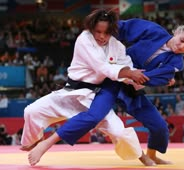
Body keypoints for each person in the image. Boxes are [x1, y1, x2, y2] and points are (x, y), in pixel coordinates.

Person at [28, 8, 184, 166]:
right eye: (182, 40)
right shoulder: (154, 31)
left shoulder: (176, 62)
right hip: (112, 80)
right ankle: (46, 143)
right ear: (176, 32)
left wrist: (143, 78)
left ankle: (152, 155)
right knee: (94, 116)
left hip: (132, 87)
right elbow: (124, 28)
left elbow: (160, 78)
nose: (181, 46)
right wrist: (98, 29)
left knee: (160, 126)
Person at [22, 9, 153, 166]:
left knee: (119, 131)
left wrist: (139, 79)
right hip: (71, 93)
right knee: (31, 111)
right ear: (91, 28)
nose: (102, 36)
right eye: (98, 31)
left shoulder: (117, 47)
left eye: (106, 32)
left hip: (95, 98)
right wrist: (129, 73)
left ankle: (141, 155)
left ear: (112, 31)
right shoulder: (84, 39)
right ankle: (34, 141)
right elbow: (102, 67)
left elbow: (127, 69)